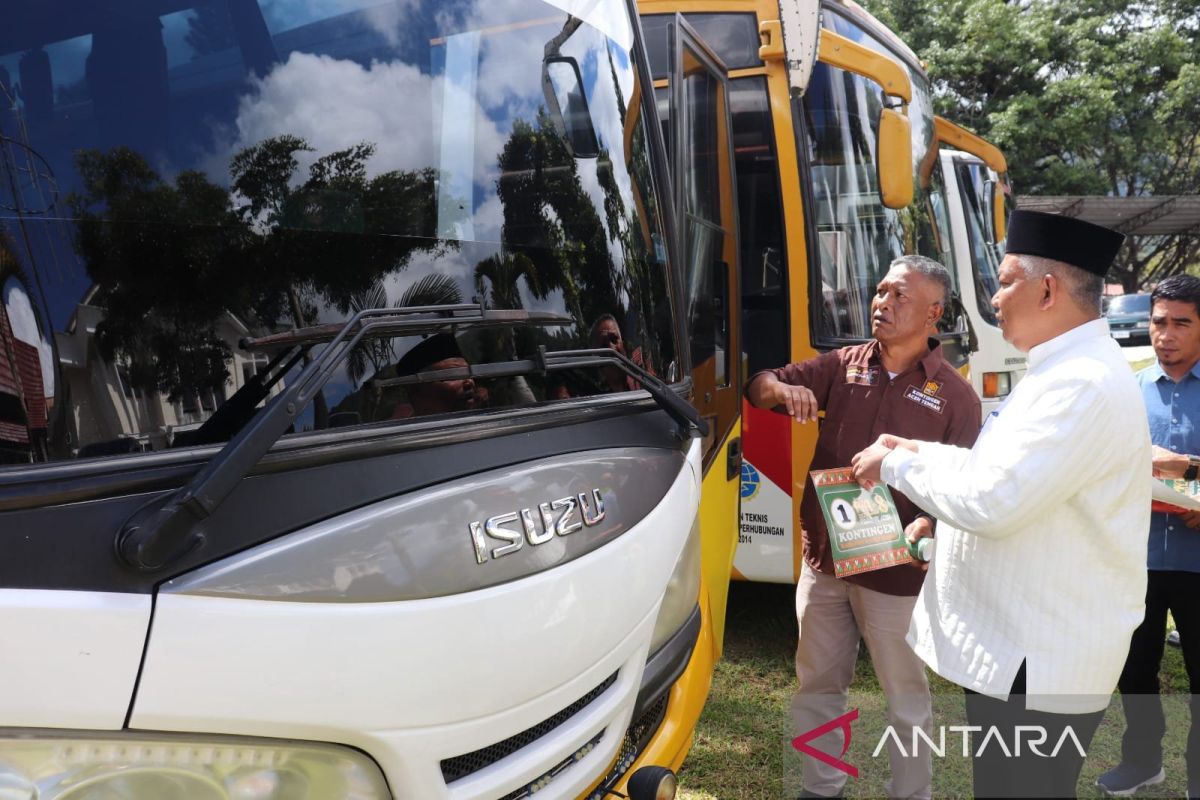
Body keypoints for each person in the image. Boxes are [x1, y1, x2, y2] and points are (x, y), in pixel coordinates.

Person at [850, 210, 1148, 799]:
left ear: (1047, 289)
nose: (993, 297)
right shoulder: (1060, 370)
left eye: (1006, 280)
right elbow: (1001, 473)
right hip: (1023, 653)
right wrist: (920, 455)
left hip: (1036, 665)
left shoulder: (1078, 382)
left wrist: (899, 464)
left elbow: (993, 498)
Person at [746, 255, 980, 800]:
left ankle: (911, 792)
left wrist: (928, 522)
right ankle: (821, 787)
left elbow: (966, 483)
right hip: (825, 561)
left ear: (933, 313)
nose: (882, 303)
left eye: (899, 295)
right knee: (818, 683)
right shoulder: (843, 364)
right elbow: (760, 385)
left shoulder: (956, 396)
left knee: (906, 696)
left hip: (896, 575)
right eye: (879, 292)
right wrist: (781, 391)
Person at [1097, 274, 1200, 798]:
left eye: (1181, 323)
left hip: (1197, 562)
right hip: (1134, 561)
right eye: (1159, 322)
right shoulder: (1127, 392)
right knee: (1135, 670)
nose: (1166, 334)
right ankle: (1142, 761)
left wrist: (1192, 472)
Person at [391, 333, 478, 417]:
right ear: (415, 388)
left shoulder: (485, 423)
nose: (469, 382)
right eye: (454, 376)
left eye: (468, 374)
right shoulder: (397, 430)